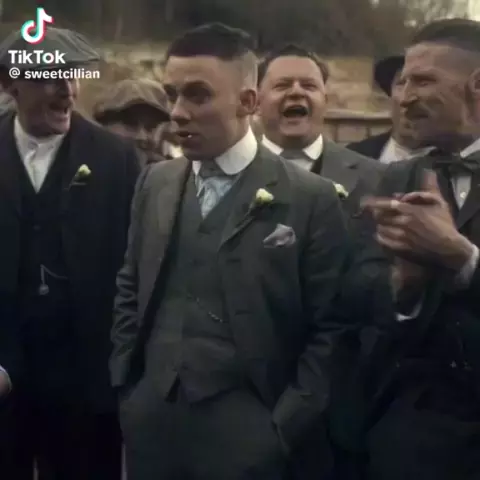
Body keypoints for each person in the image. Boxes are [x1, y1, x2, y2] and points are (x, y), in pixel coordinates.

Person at [111, 23, 353, 480]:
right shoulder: (155, 182)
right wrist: (127, 388)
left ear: (247, 102)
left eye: (197, 96)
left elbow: (333, 331)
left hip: (252, 437)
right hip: (151, 428)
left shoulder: (311, 198)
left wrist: (282, 427)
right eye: (172, 95)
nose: (177, 112)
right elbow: (129, 285)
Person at [0, 26, 140, 479]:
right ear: (10, 84)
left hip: (86, 385)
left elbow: (132, 269)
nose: (67, 89)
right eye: (49, 77)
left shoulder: (116, 159)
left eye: (72, 75)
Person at [362, 18, 480, 480]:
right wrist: (403, 290)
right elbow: (354, 302)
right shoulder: (394, 178)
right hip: (414, 443)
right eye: (403, 82)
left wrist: (461, 258)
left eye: (424, 81)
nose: (405, 97)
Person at [257, 43, 383, 195]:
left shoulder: (375, 177)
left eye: (309, 85)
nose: (297, 91)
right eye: (282, 85)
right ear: (256, 102)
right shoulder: (234, 172)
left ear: (325, 101)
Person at [348, 55, 430, 163]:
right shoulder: (353, 157)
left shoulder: (451, 161)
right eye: (401, 83)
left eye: (423, 84)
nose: (407, 97)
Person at [92, 78, 180, 163]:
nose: (143, 137)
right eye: (130, 124)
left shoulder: (166, 171)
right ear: (105, 126)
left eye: (150, 127)